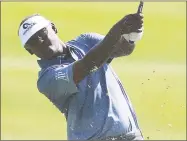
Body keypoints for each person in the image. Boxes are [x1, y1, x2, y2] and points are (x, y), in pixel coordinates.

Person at [18, 8, 144, 140]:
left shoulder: (86, 41)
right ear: (29, 51)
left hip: (131, 136)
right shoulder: (47, 79)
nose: (41, 41)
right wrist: (119, 29)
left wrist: (132, 35)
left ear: (53, 28)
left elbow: (122, 49)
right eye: (33, 42)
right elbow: (88, 65)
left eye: (42, 33)